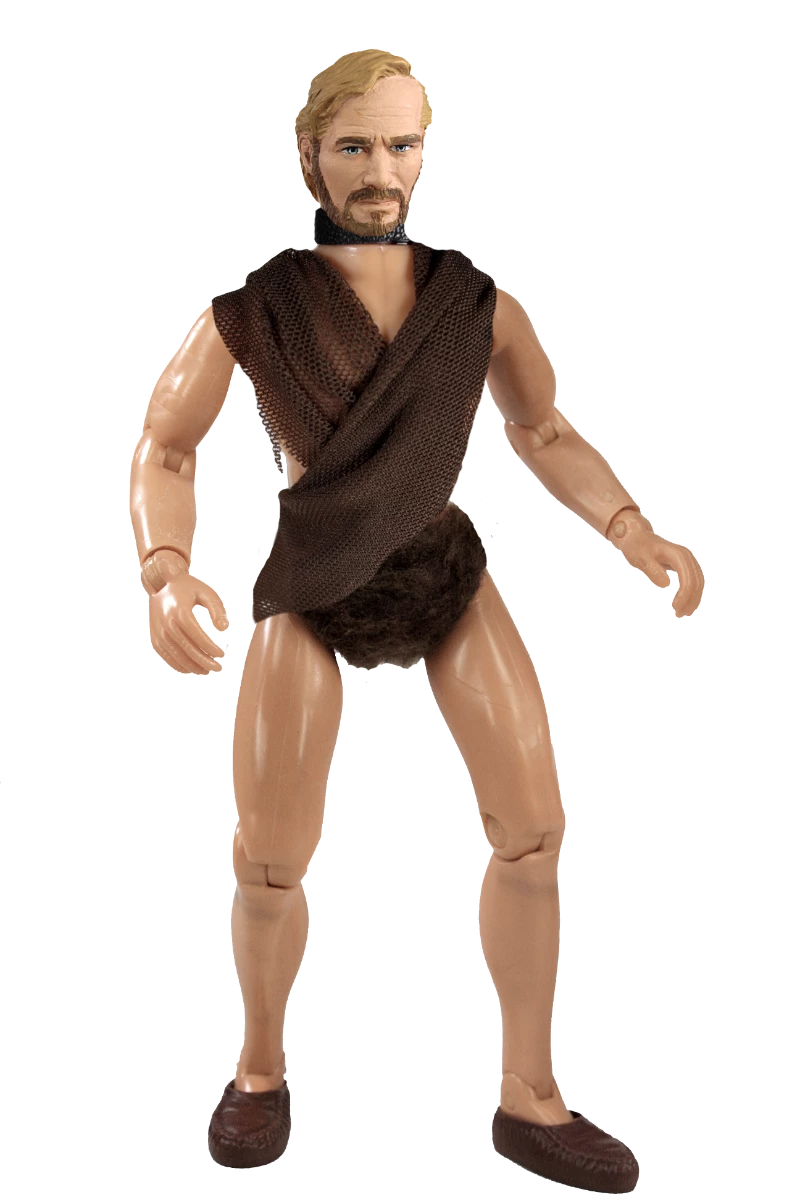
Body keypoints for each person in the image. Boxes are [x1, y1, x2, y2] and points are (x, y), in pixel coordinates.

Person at [129, 48, 703, 1184]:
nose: (380, 170)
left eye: (400, 144)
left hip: (442, 564)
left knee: (532, 827)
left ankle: (529, 1095)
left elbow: (542, 431)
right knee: (269, 855)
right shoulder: (257, 309)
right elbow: (166, 444)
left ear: (425, 154)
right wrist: (162, 569)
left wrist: (633, 530)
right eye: (355, 146)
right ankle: (257, 1073)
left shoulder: (470, 301)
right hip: (312, 574)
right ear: (310, 156)